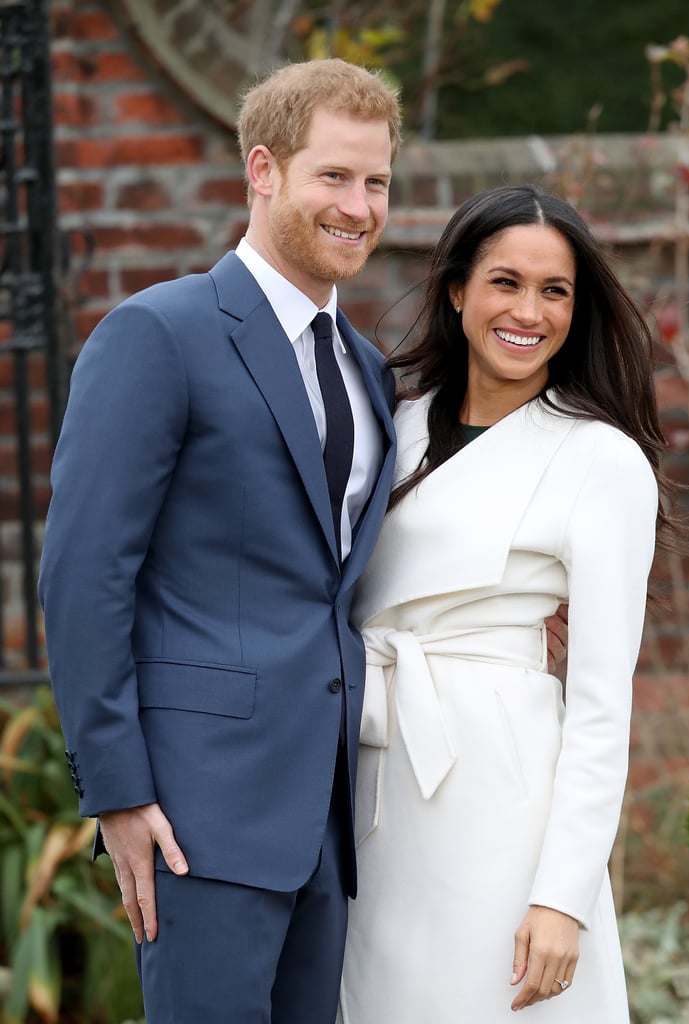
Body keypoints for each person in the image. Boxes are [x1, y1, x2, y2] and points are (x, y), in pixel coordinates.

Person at [38, 58, 402, 1024]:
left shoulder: (369, 372)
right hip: (193, 815)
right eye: (333, 176)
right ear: (263, 170)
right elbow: (85, 575)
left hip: (328, 814)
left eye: (376, 183)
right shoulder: (158, 333)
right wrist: (117, 791)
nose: (358, 206)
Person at [338, 184, 677, 1023]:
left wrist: (563, 897)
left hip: (502, 802)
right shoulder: (393, 426)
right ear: (457, 290)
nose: (529, 311)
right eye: (505, 282)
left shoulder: (600, 459)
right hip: (370, 781)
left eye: (554, 290)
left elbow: (601, 706)